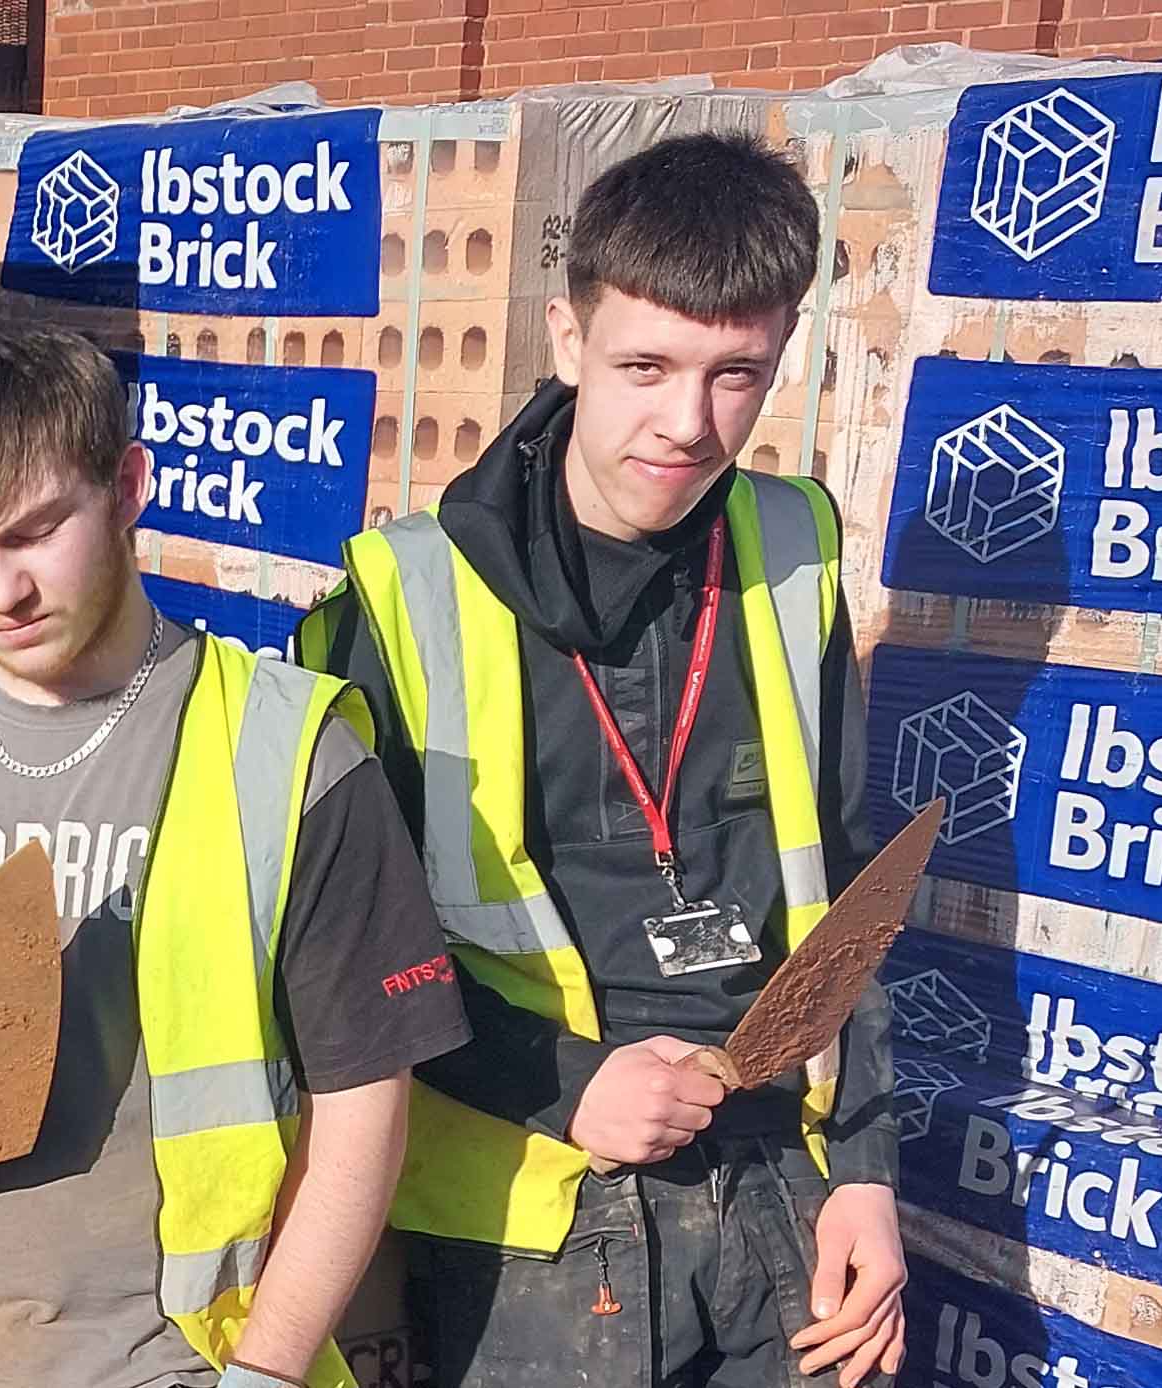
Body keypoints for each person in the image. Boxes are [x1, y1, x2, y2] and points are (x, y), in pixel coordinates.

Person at [0, 318, 466, 1388]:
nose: (1, 591)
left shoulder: (291, 752)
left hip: (160, 1362)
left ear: (127, 485)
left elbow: (363, 1109)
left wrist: (268, 1365)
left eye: (34, 533)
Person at [298, 133, 906, 1388]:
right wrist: (569, 1082)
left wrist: (869, 1170)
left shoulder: (790, 548)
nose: (687, 424)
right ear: (569, 343)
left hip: (777, 1197)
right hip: (529, 1228)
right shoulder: (407, 595)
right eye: (646, 366)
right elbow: (347, 959)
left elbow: (855, 887)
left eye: (736, 374)